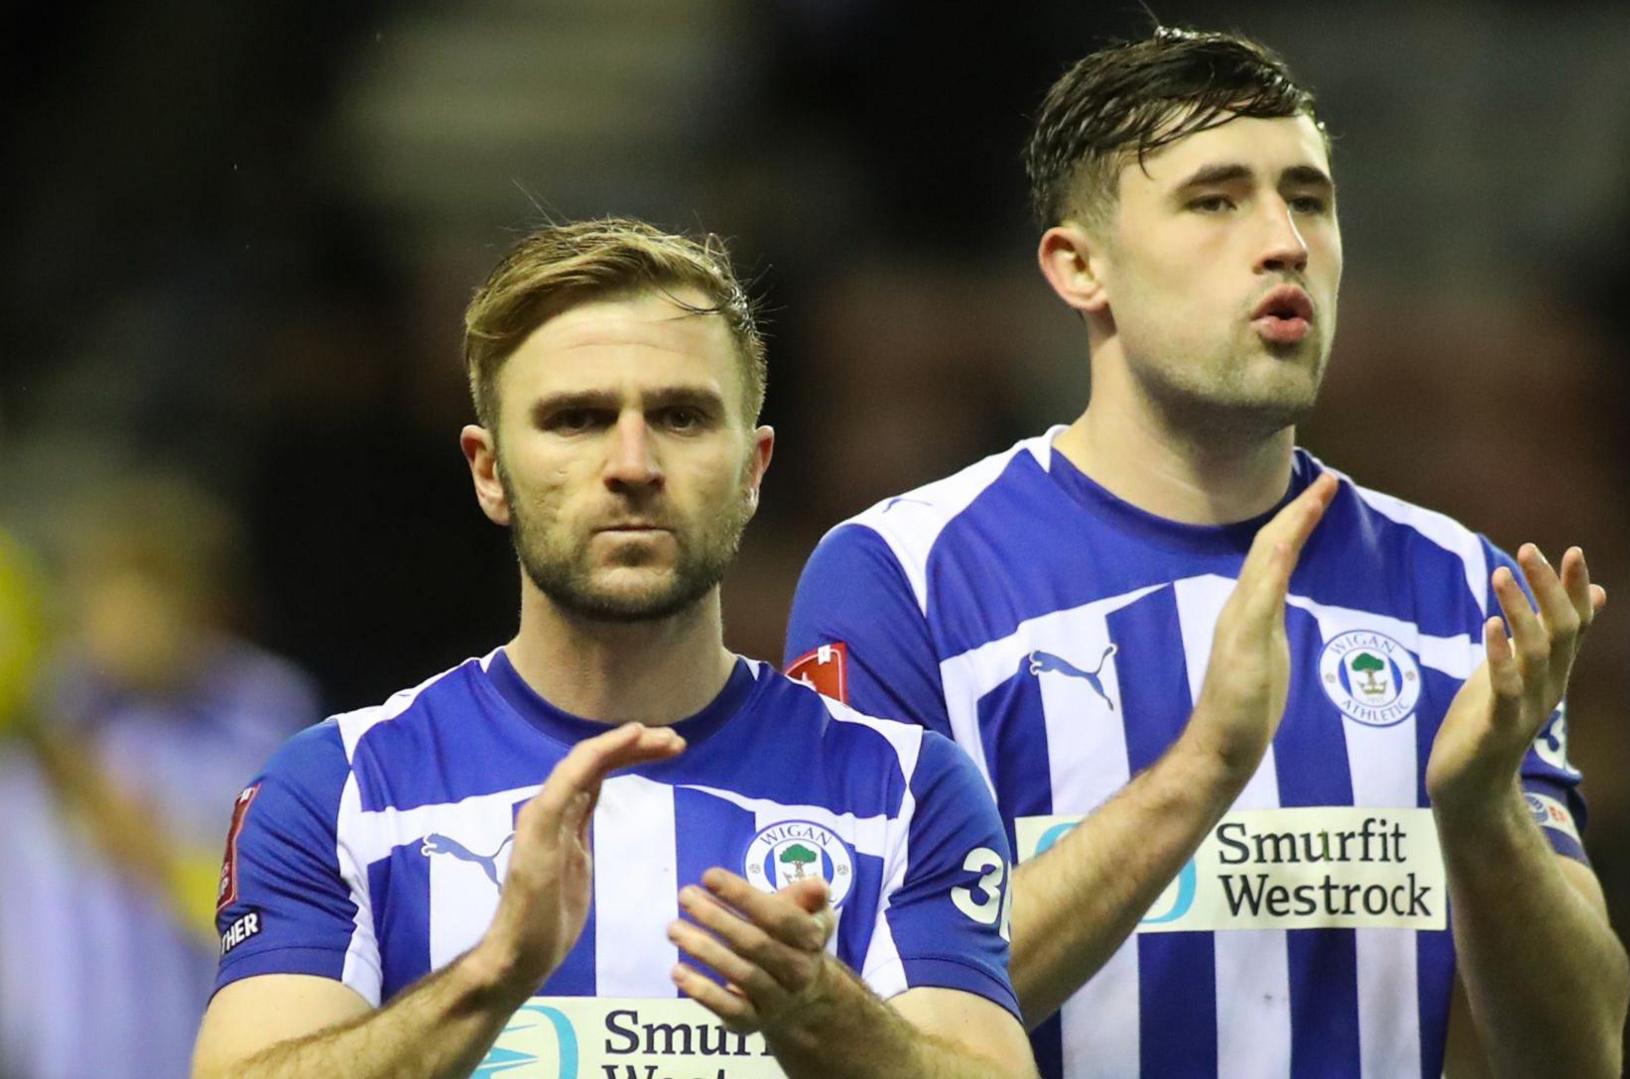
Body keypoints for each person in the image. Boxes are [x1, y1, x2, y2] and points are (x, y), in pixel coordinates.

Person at [785, 27, 1630, 1079]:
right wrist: (1201, 771)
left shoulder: (1465, 590)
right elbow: (852, 1023)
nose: (1283, 241)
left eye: (1308, 199)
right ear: (1079, 264)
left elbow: (1580, 1055)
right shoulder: (904, 579)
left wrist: (1484, 811)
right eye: (1215, 200)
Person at [193, 219, 1037, 1078]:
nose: (632, 463)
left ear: (753, 466)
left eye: (680, 415)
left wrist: (829, 1015)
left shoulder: (905, 787)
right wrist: (492, 975)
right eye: (578, 419)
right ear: (489, 471)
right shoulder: (340, 789)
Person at [0, 484, 322, 1079]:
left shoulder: (262, 716)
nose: (133, 625)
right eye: (112, 601)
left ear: (202, 606)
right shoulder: (39, 719)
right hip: (67, 1059)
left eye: (156, 600)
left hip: (207, 1052)